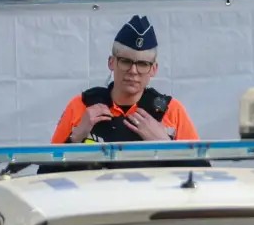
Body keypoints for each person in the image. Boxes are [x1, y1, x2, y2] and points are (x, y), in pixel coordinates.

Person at [50, 15, 200, 143]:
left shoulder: (171, 110)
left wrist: (165, 145)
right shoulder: (81, 106)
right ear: (111, 62)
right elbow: (45, 172)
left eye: (142, 64)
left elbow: (200, 170)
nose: (133, 71)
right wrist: (75, 138)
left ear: (154, 69)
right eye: (125, 61)